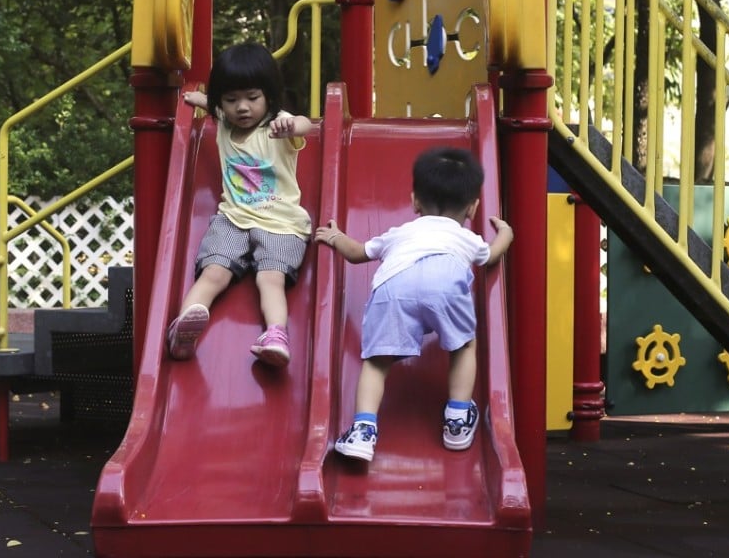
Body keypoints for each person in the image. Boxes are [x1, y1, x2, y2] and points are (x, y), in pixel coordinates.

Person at [313, 146, 513, 462]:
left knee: (377, 361)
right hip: (445, 285)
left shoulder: (401, 233)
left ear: (414, 201)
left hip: (395, 286)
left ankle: (363, 431)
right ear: (473, 207)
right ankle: (458, 419)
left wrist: (336, 236)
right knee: (464, 346)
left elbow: (356, 253)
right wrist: (506, 232)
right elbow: (492, 254)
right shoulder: (466, 238)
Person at [167, 42, 314, 367]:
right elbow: (213, 104)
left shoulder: (278, 127)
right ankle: (183, 327)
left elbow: (304, 125)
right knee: (213, 272)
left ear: (269, 97)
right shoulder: (223, 122)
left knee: (269, 278)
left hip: (281, 223)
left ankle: (276, 335)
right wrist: (196, 98)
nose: (242, 108)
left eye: (252, 98)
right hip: (232, 220)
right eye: (232, 100)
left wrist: (292, 125)